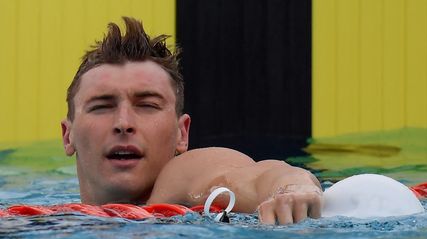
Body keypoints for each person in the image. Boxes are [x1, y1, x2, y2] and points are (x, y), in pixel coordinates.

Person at [61, 17, 322, 225]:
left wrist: (291, 189)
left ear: (181, 134)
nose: (123, 122)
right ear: (67, 135)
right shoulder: (51, 220)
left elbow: (257, 179)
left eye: (147, 105)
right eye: (102, 106)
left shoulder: (183, 178)